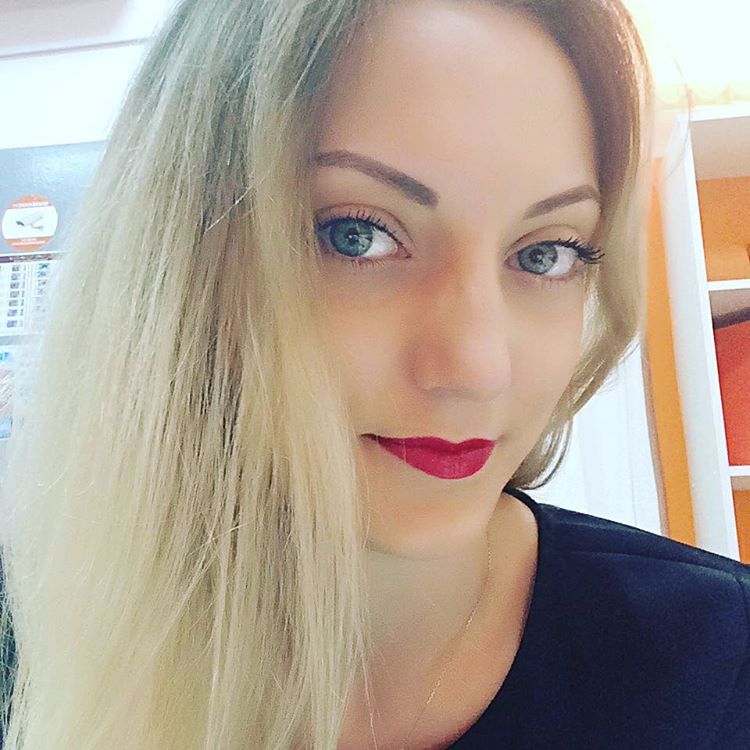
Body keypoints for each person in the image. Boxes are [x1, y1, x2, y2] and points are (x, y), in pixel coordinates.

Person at [0, 0, 748, 748]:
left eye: (545, 253)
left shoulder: (716, 666)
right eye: (357, 235)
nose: (477, 368)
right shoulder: (29, 637)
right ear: (177, 265)